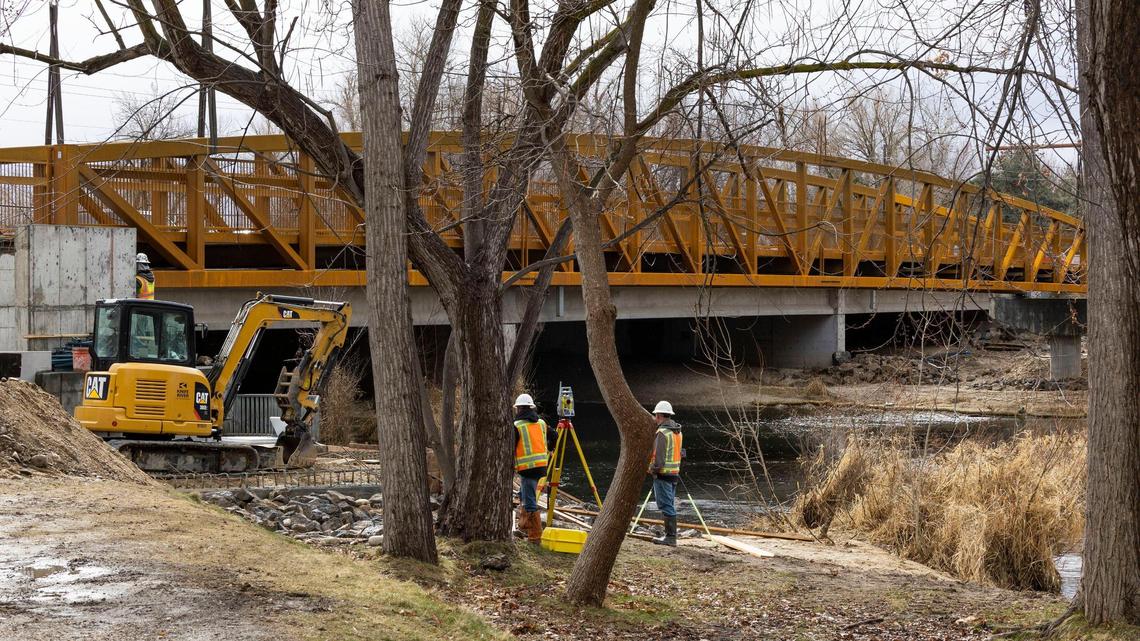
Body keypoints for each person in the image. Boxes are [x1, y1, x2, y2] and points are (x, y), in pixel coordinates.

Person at [513, 393, 550, 543]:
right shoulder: (541, 423)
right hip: (541, 466)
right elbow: (553, 435)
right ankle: (523, 525)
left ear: (519, 409)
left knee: (529, 501)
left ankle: (535, 536)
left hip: (527, 468)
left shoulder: (516, 426)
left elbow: (510, 447)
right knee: (523, 493)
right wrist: (550, 448)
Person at [649, 400, 682, 546]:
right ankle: (670, 536)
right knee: (669, 504)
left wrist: (651, 469)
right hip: (674, 473)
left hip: (663, 474)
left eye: (655, 415)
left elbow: (659, 459)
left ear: (659, 415)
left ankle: (670, 537)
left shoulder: (662, 433)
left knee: (665, 505)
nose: (655, 418)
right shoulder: (677, 432)